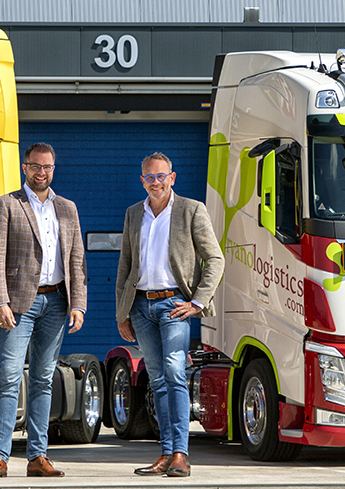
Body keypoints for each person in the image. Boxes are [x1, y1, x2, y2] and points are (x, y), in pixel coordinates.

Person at [0, 142, 86, 479]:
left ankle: (38, 456)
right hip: (18, 305)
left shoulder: (67, 208)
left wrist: (78, 304)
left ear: (54, 169)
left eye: (47, 167)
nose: (42, 172)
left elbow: (77, 260)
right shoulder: (8, 204)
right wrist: (0, 301)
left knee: (43, 379)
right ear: (25, 167)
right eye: (36, 166)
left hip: (56, 302)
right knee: (9, 378)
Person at [116, 152, 223, 478]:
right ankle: (166, 453)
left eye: (161, 176)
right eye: (150, 177)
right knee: (158, 379)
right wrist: (122, 313)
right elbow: (125, 265)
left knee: (175, 372)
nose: (156, 182)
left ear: (172, 178)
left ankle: (181, 454)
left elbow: (215, 259)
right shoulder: (134, 213)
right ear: (142, 180)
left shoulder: (192, 210)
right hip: (141, 307)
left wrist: (198, 302)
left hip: (175, 305)